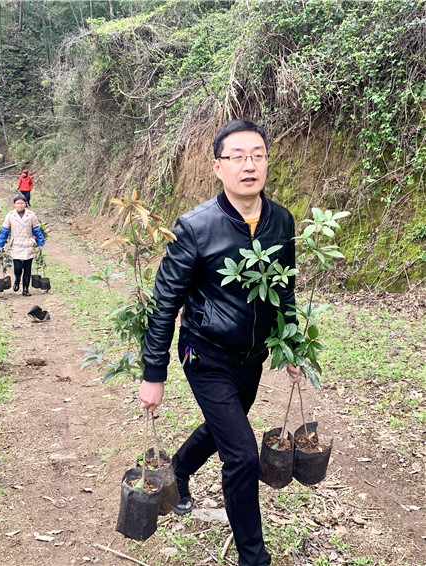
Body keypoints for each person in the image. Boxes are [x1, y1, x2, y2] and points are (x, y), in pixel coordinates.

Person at [138, 119, 304, 566]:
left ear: (267, 161)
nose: (248, 166)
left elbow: (284, 288)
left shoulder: (282, 221)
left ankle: (180, 471)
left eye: (257, 155)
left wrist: (291, 345)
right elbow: (164, 303)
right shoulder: (194, 226)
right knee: (243, 455)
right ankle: (254, 557)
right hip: (204, 353)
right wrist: (154, 374)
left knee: (220, 427)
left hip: (252, 357)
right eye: (237, 157)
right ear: (218, 166)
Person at [0, 194, 45, 296]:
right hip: (16, 244)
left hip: (28, 243)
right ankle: (17, 279)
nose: (20, 205)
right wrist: (0, 244)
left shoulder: (31, 215)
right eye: (18, 203)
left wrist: (40, 243)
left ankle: (25, 288)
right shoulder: (10, 216)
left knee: (27, 268)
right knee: (17, 268)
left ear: (25, 204)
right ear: (14, 204)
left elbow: (36, 230)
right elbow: (4, 231)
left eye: (22, 203)